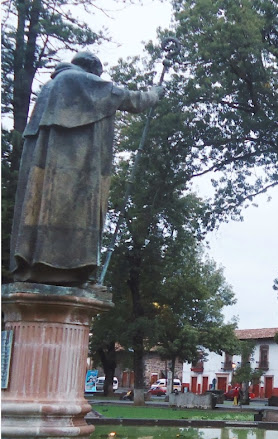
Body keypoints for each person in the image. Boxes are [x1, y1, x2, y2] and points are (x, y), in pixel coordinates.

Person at [10, 51, 163, 286]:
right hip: (71, 167)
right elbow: (129, 99)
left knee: (46, 208)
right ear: (92, 69)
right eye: (98, 75)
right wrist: (154, 94)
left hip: (52, 169)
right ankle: (63, 266)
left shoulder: (50, 87)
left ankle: (41, 262)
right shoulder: (77, 79)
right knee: (75, 209)